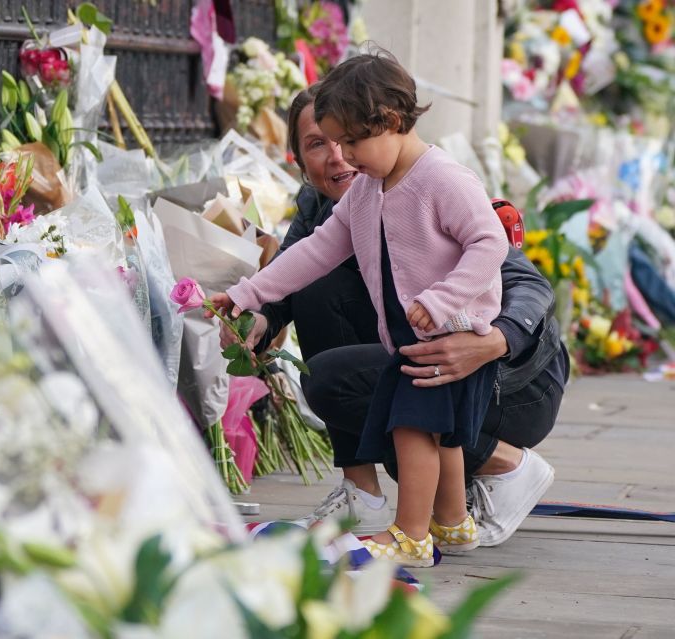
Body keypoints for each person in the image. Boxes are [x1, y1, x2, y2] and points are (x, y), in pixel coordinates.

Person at [212, 51, 566, 563]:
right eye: (328, 144)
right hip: (412, 339)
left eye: (352, 141)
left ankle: (410, 535)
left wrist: (444, 301)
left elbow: (489, 244)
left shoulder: (442, 178)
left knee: (413, 429)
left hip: (456, 341)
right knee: (439, 437)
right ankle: (452, 523)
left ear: (392, 122)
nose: (345, 156)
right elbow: (315, 250)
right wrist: (248, 295)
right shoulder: (368, 190)